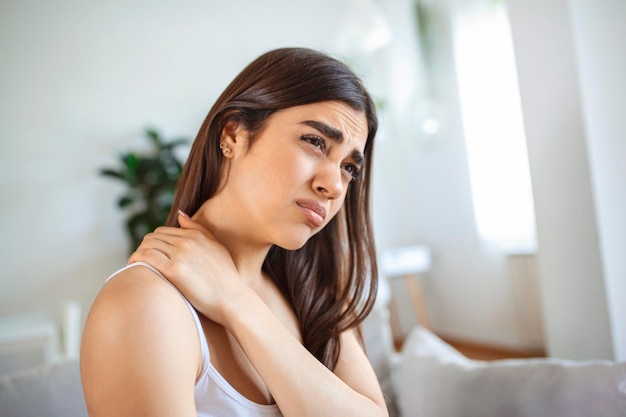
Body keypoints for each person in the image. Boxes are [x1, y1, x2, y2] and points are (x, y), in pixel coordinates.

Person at [80, 47, 388, 417]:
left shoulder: (313, 291)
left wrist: (236, 302)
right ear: (233, 134)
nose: (335, 185)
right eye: (315, 141)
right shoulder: (145, 302)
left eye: (349, 168)